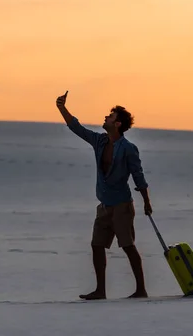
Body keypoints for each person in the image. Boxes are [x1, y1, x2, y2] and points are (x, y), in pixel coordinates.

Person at [55, 90, 153, 300]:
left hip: (122, 206)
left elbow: (138, 175)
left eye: (110, 116)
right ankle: (100, 290)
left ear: (118, 124)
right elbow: (76, 128)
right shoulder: (99, 142)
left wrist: (146, 201)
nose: (106, 117)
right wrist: (62, 108)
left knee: (127, 246)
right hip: (105, 205)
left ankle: (141, 289)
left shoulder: (128, 148)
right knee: (97, 245)